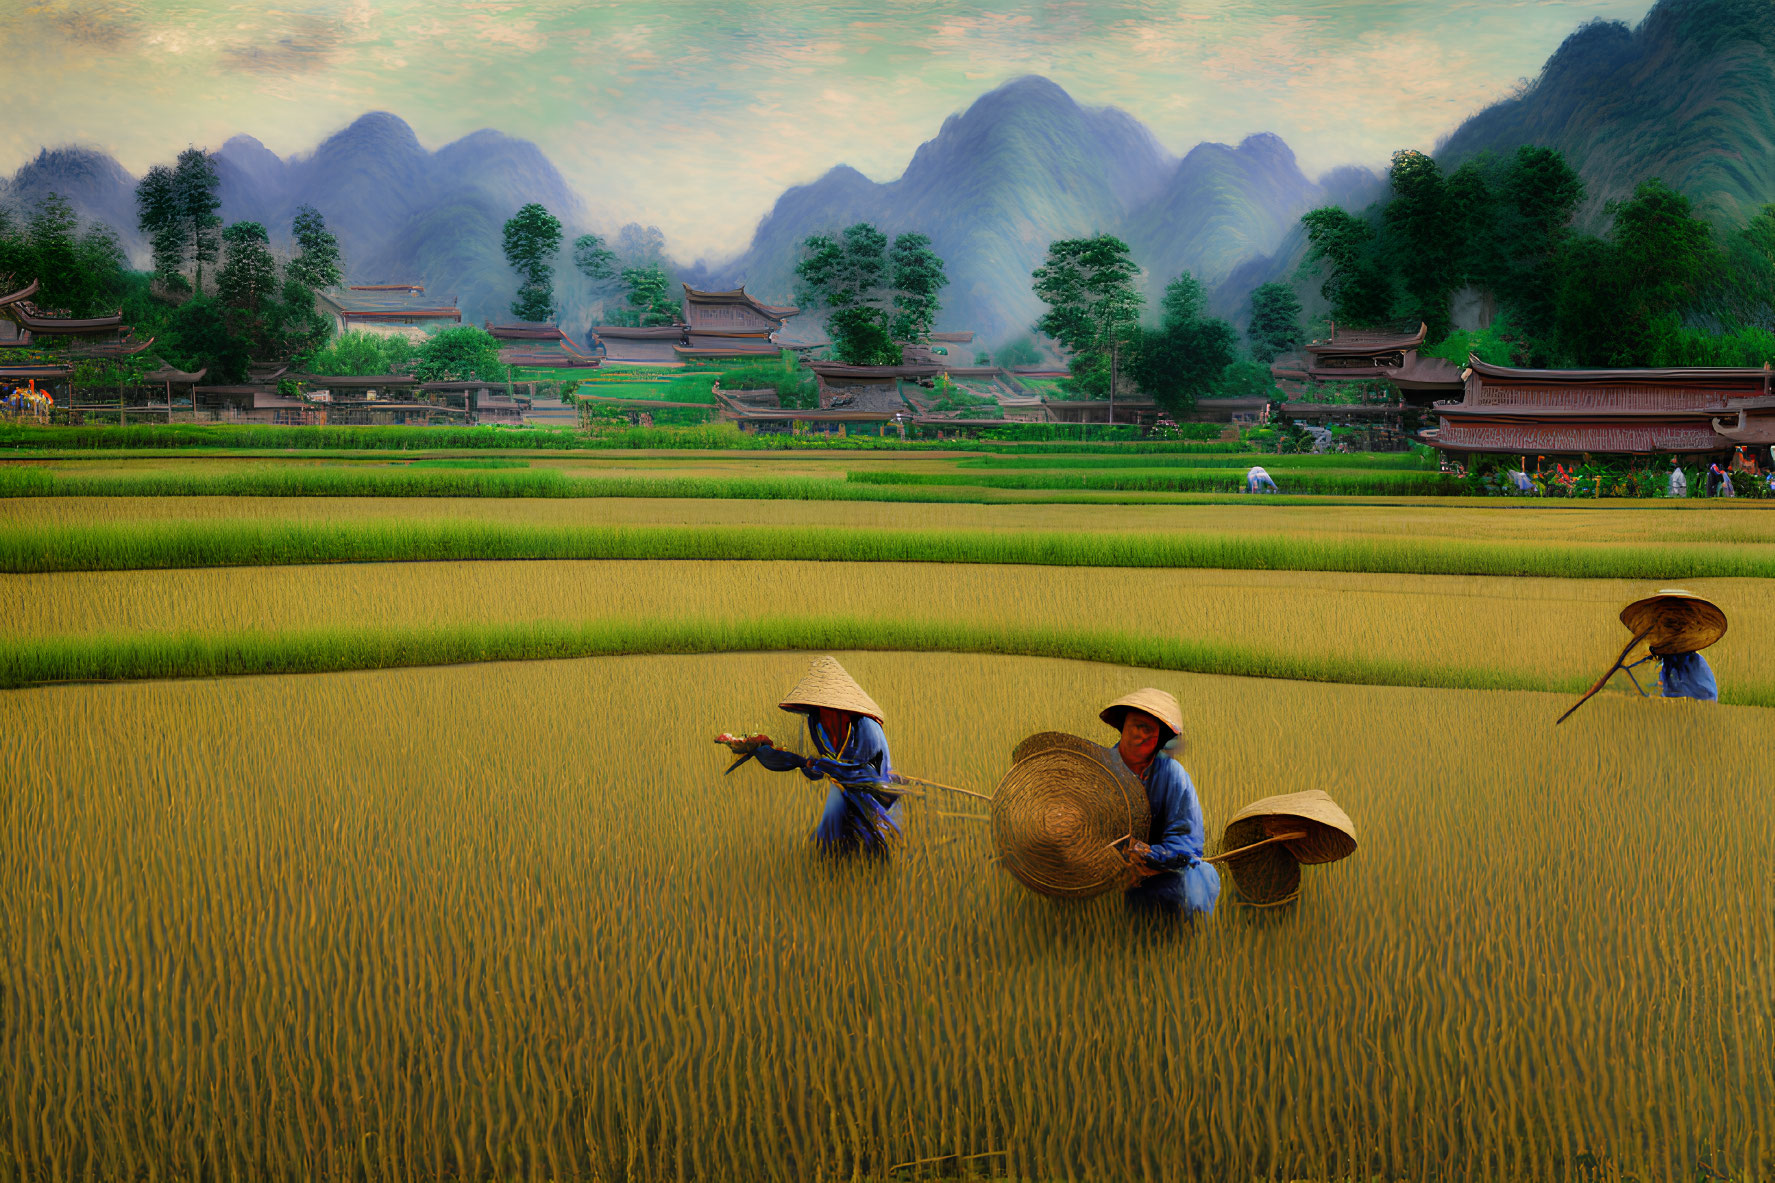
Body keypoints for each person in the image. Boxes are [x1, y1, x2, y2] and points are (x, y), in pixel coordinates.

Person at [756, 655, 904, 858]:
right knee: (828, 848)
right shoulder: (816, 723)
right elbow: (818, 769)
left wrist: (826, 766)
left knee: (875, 851)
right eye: (818, 706)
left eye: (827, 707)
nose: (823, 713)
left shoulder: (867, 727)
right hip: (843, 795)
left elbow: (869, 774)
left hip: (875, 796)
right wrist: (810, 766)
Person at [1100, 688, 1220, 922]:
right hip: (1105, 870)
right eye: (1137, 725)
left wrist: (1147, 856)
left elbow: (1187, 842)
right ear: (1123, 725)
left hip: (1157, 871)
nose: (1141, 735)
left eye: (1150, 730)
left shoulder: (1173, 776)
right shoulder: (1100, 770)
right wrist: (1118, 861)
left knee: (1202, 876)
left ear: (1160, 739)